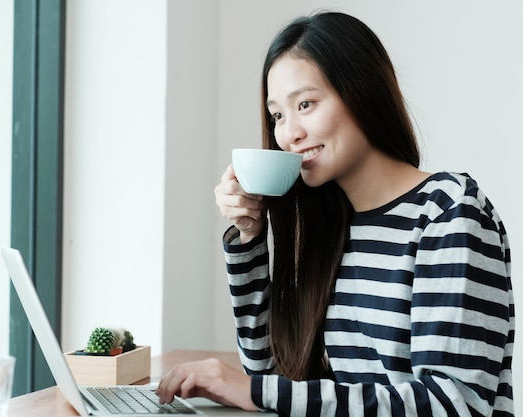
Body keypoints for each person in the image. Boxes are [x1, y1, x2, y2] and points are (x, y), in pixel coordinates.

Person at [156, 11, 515, 416]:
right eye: (278, 115)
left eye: (305, 104)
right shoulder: (330, 226)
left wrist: (254, 391)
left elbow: (452, 406)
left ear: (361, 91)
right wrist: (249, 238)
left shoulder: (449, 213)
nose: (288, 133)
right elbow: (271, 373)